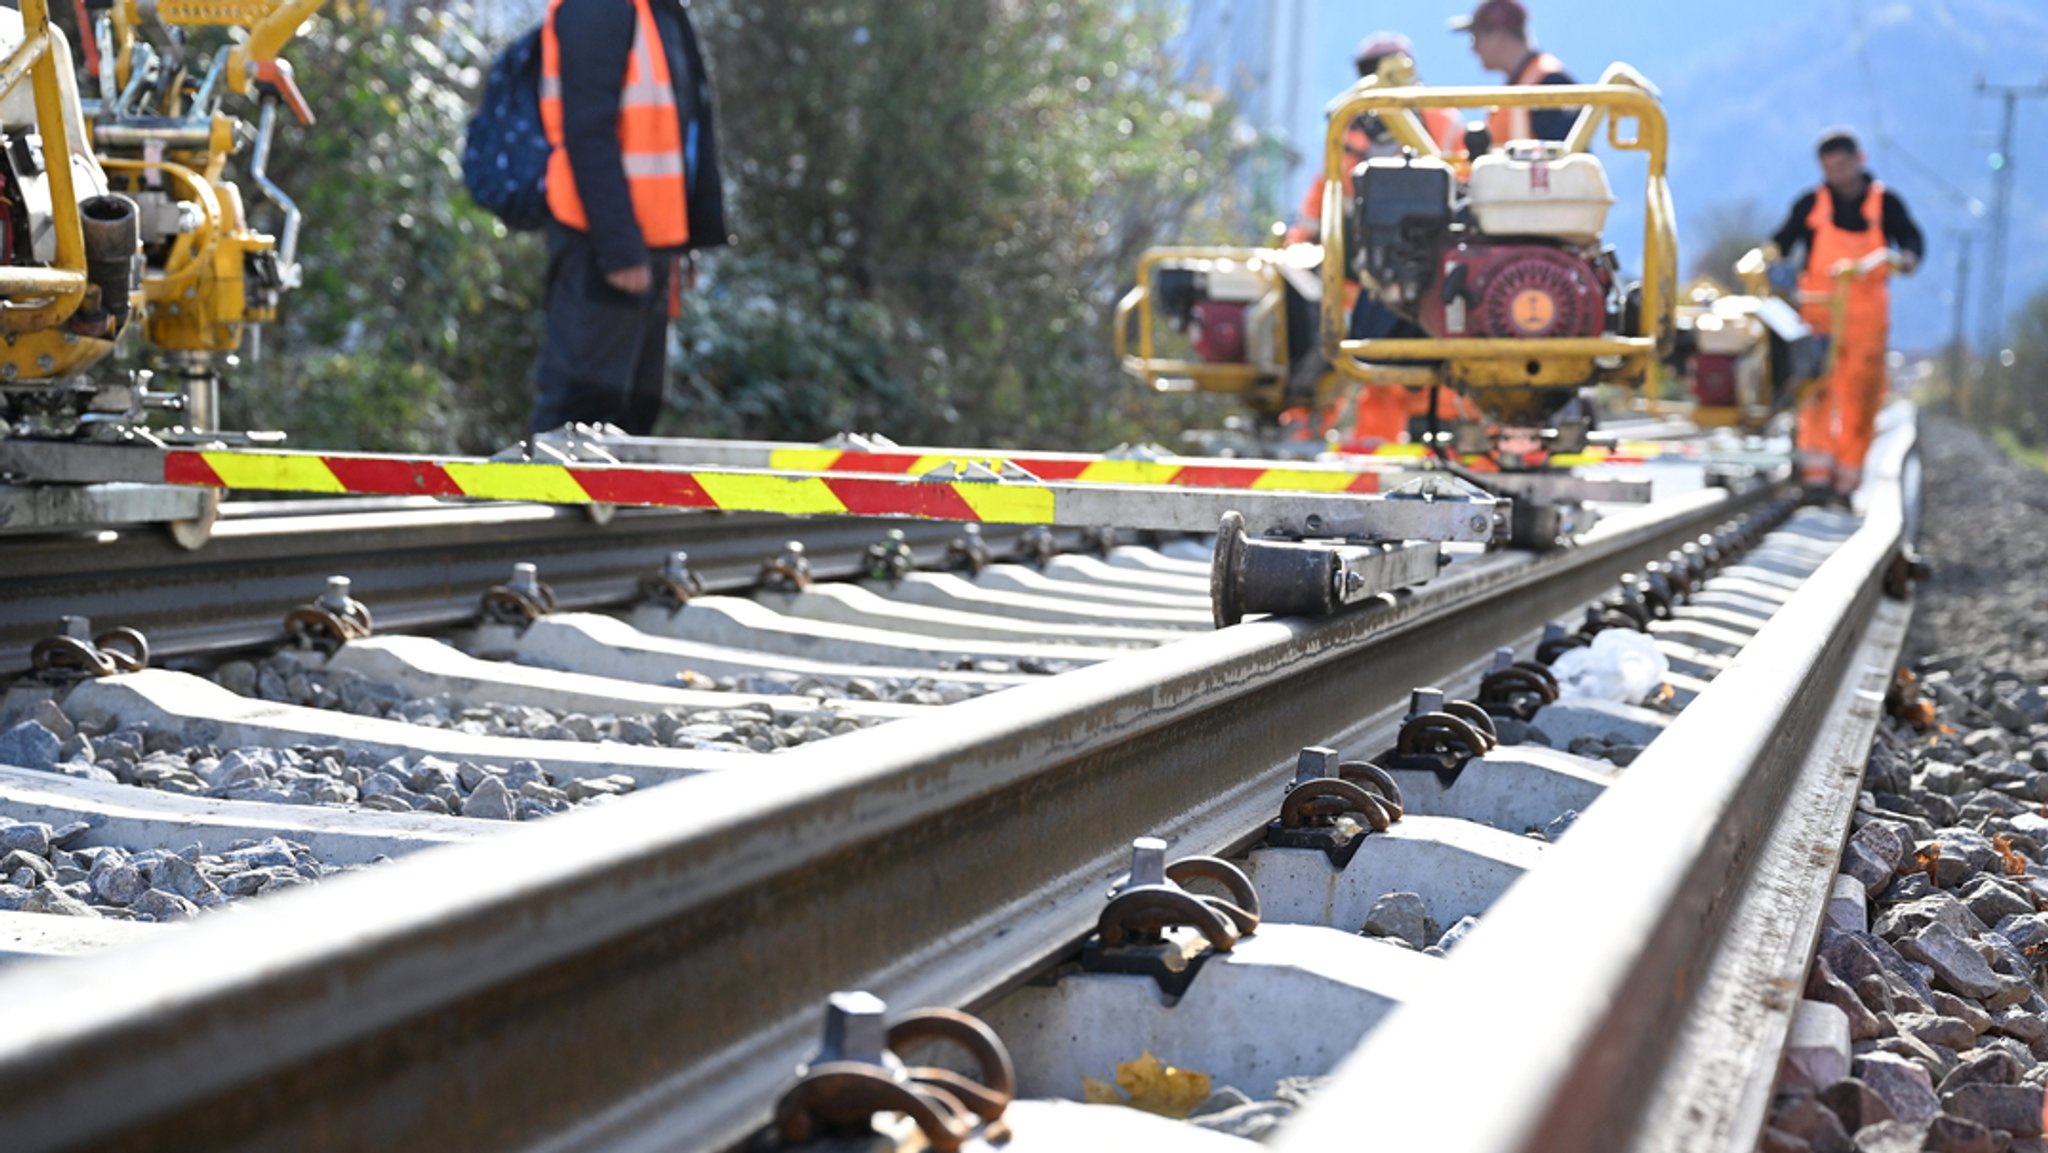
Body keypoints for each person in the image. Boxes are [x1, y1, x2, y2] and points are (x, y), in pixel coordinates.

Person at [531, 0, 727, 436]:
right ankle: (542, 503)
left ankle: (602, 506)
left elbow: (679, 136)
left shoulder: (660, 12)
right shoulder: (597, 8)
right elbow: (588, 133)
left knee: (635, 411)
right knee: (578, 414)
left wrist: (683, 241)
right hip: (601, 247)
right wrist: (620, 250)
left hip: (649, 247)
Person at [1764, 130, 1923, 498]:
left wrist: (1908, 258)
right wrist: (1767, 261)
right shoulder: (1811, 205)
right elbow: (1781, 242)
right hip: (1818, 318)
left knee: (1861, 403)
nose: (1836, 174)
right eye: (1828, 167)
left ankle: (1847, 483)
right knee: (1815, 396)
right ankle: (1816, 479)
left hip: (1866, 325)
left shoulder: (1885, 204)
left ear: (1859, 159)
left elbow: (1912, 240)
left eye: (1842, 165)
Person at [1450, 0, 1576, 144]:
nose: (1474, 48)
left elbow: (1567, 157)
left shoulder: (1550, 80)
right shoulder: (1523, 81)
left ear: (1499, 34)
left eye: (1475, 37)